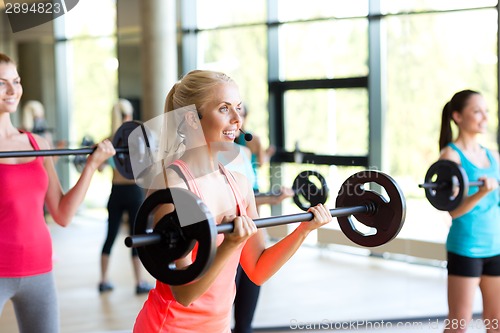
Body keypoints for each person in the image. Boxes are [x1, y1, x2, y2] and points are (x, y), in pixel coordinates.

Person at [132, 69, 332, 333]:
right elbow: (184, 294)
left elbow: (258, 269)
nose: (238, 119)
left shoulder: (238, 183)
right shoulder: (172, 185)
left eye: (238, 108)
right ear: (192, 118)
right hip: (170, 327)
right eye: (224, 109)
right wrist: (229, 246)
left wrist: (303, 230)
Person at [0, 53, 115, 333]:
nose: (13, 91)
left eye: (16, 81)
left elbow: (62, 214)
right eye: (2, 83)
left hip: (40, 267)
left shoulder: (38, 144)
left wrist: (92, 166)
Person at [438, 89, 500, 332]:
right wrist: (481, 192)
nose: (484, 117)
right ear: (458, 116)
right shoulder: (451, 155)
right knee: (458, 322)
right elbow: (453, 211)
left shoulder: (494, 156)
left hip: (495, 246)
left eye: (486, 111)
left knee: (496, 322)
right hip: (466, 248)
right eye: (477, 111)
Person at [233, 104, 294, 333]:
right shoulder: (209, 155)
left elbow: (259, 165)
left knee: (247, 306)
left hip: (253, 196)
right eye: (226, 111)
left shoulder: (249, 144)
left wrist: (271, 198)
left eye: (239, 113)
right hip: (229, 229)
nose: (235, 119)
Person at [98, 99, 153, 295]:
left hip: (116, 192)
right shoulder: (136, 139)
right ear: (128, 116)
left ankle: (103, 280)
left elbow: (100, 167)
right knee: (137, 237)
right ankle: (139, 282)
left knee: (110, 235)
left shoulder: (108, 140)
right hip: (133, 192)